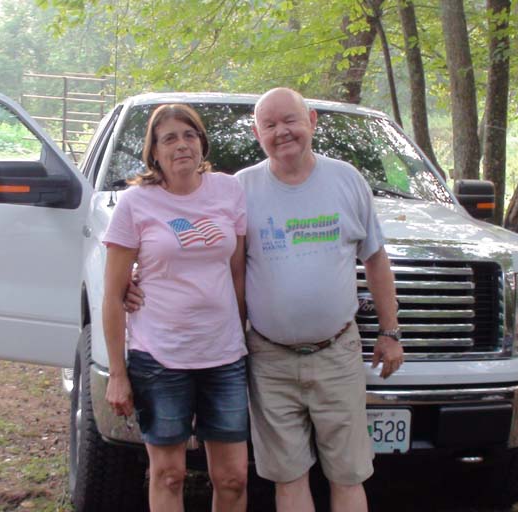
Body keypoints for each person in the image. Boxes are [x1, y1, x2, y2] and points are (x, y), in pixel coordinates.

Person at [126, 88, 403, 512]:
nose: (281, 132)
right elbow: (206, 252)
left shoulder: (347, 179)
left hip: (338, 353)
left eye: (290, 120)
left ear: (311, 121)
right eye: (269, 125)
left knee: (348, 475)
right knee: (288, 478)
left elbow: (376, 260)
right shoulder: (240, 188)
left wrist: (390, 332)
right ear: (257, 134)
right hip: (268, 358)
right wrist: (136, 276)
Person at [102, 103, 249, 512]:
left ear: (202, 143)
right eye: (169, 138)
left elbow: (238, 274)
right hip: (159, 358)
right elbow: (113, 295)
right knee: (169, 474)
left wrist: (241, 336)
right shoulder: (135, 203)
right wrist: (117, 373)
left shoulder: (229, 191)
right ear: (154, 152)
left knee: (234, 478)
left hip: (224, 358)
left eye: (189, 135)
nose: (181, 145)